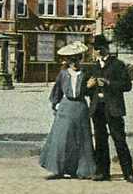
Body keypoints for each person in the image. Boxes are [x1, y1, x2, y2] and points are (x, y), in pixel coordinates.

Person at [39, 41, 96, 180]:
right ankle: (58, 169)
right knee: (62, 139)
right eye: (72, 60)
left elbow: (92, 93)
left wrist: (90, 87)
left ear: (81, 59)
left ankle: (82, 170)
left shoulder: (86, 74)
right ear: (68, 61)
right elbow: (57, 90)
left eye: (77, 59)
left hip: (81, 108)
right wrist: (55, 104)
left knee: (81, 139)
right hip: (66, 108)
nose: (75, 63)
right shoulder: (63, 74)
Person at [87, 34, 133, 183]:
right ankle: (102, 172)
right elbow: (87, 89)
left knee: (119, 140)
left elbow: (127, 86)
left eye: (99, 48)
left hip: (113, 108)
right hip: (97, 108)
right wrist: (88, 86)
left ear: (105, 48)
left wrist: (108, 83)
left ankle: (128, 173)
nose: (97, 51)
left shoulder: (117, 64)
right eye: (95, 48)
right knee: (100, 141)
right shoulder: (93, 66)